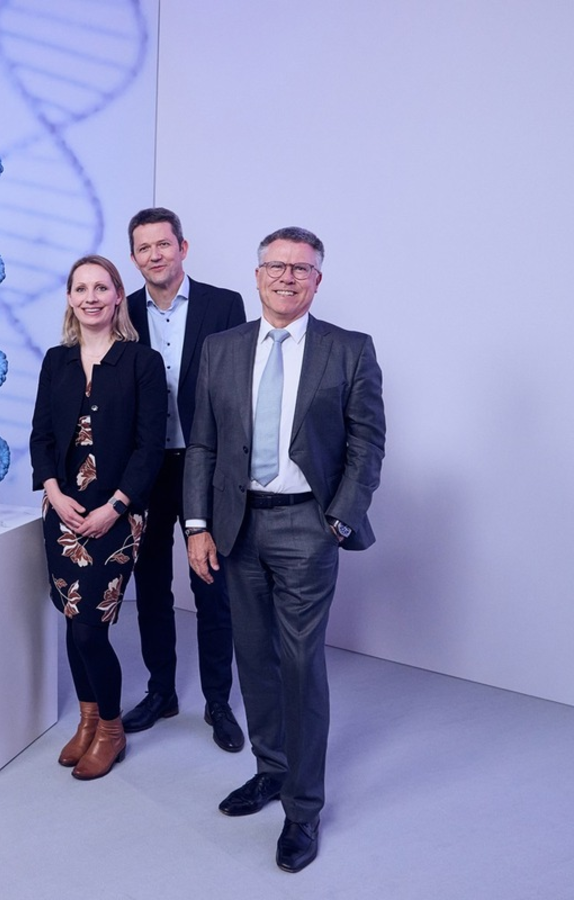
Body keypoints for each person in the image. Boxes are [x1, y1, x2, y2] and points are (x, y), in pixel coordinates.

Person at [185, 227, 385, 872]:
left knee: (300, 664)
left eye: (301, 268)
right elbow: (202, 444)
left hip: (307, 525)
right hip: (236, 524)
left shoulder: (349, 349)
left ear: (317, 281)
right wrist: (197, 526)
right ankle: (270, 769)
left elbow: (366, 444)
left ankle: (303, 808)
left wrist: (338, 520)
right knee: (254, 657)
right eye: (276, 266)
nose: (287, 277)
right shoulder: (221, 348)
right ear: (257, 275)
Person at [30, 255, 165, 780]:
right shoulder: (56, 360)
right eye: (81, 288)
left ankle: (111, 729)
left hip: (117, 515)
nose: (91, 297)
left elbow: (150, 447)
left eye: (101, 288)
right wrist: (53, 493)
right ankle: (87, 721)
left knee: (90, 629)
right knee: (72, 618)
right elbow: (41, 435)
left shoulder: (142, 362)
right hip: (61, 511)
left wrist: (115, 507)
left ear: (117, 297)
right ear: (70, 298)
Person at [122, 207, 248, 752]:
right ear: (134, 258)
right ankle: (161, 692)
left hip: (208, 467)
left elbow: (238, 390)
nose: (155, 255)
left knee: (212, 588)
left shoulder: (224, 305)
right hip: (146, 468)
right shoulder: (123, 310)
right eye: (144, 248)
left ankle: (218, 701)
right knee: (150, 586)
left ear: (183, 248)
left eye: (163, 244)